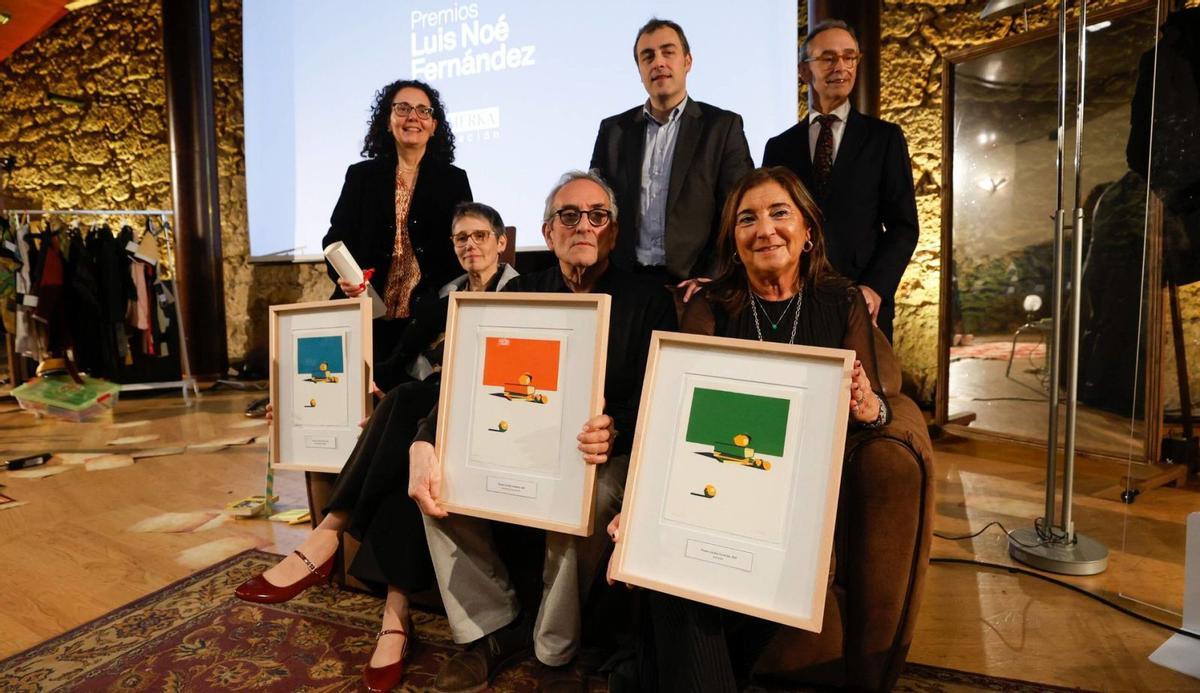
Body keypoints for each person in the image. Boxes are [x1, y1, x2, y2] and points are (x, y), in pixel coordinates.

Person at [607, 166, 891, 692]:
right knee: (670, 556)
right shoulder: (711, 305)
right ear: (733, 241)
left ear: (808, 230)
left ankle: (643, 675)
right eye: (747, 219)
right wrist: (642, 508)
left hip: (797, 503)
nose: (764, 230)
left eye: (780, 213)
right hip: (714, 484)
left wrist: (867, 404)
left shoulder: (842, 300)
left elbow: (880, 410)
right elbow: (674, 415)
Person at [407, 171, 677, 693]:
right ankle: (493, 628)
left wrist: (616, 431)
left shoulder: (649, 299)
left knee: (588, 494)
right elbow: (468, 377)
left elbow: (662, 399)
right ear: (547, 232)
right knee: (438, 477)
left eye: (598, 215)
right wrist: (424, 439)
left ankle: (555, 652)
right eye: (568, 216)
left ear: (614, 231)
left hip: (602, 452)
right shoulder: (522, 292)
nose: (584, 225)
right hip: (524, 439)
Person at [235, 203, 516, 693]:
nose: (470, 245)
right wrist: (302, 398)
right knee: (404, 434)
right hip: (423, 410)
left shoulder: (524, 292)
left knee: (405, 402)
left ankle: (330, 533)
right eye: (461, 238)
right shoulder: (443, 296)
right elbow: (396, 360)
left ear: (501, 242)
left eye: (480, 236)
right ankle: (395, 612)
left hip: (480, 411)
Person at [762, 19, 918, 342]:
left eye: (849, 57)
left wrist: (875, 287)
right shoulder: (779, 147)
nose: (841, 67)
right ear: (804, 71)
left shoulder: (884, 138)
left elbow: (903, 227)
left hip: (861, 301)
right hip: (793, 302)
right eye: (828, 58)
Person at [321, 79, 473, 370]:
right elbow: (335, 239)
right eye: (403, 108)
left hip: (424, 318)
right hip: (365, 309)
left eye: (423, 111)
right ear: (388, 122)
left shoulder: (453, 180)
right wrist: (345, 277)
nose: (413, 117)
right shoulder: (361, 176)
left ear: (434, 125)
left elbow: (461, 244)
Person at [590, 18, 754, 284]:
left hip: (694, 285)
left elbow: (738, 210)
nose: (658, 62)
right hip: (625, 283)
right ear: (639, 70)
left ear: (687, 62)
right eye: (647, 56)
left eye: (668, 52)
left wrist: (712, 278)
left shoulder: (722, 127)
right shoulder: (614, 131)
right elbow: (595, 208)